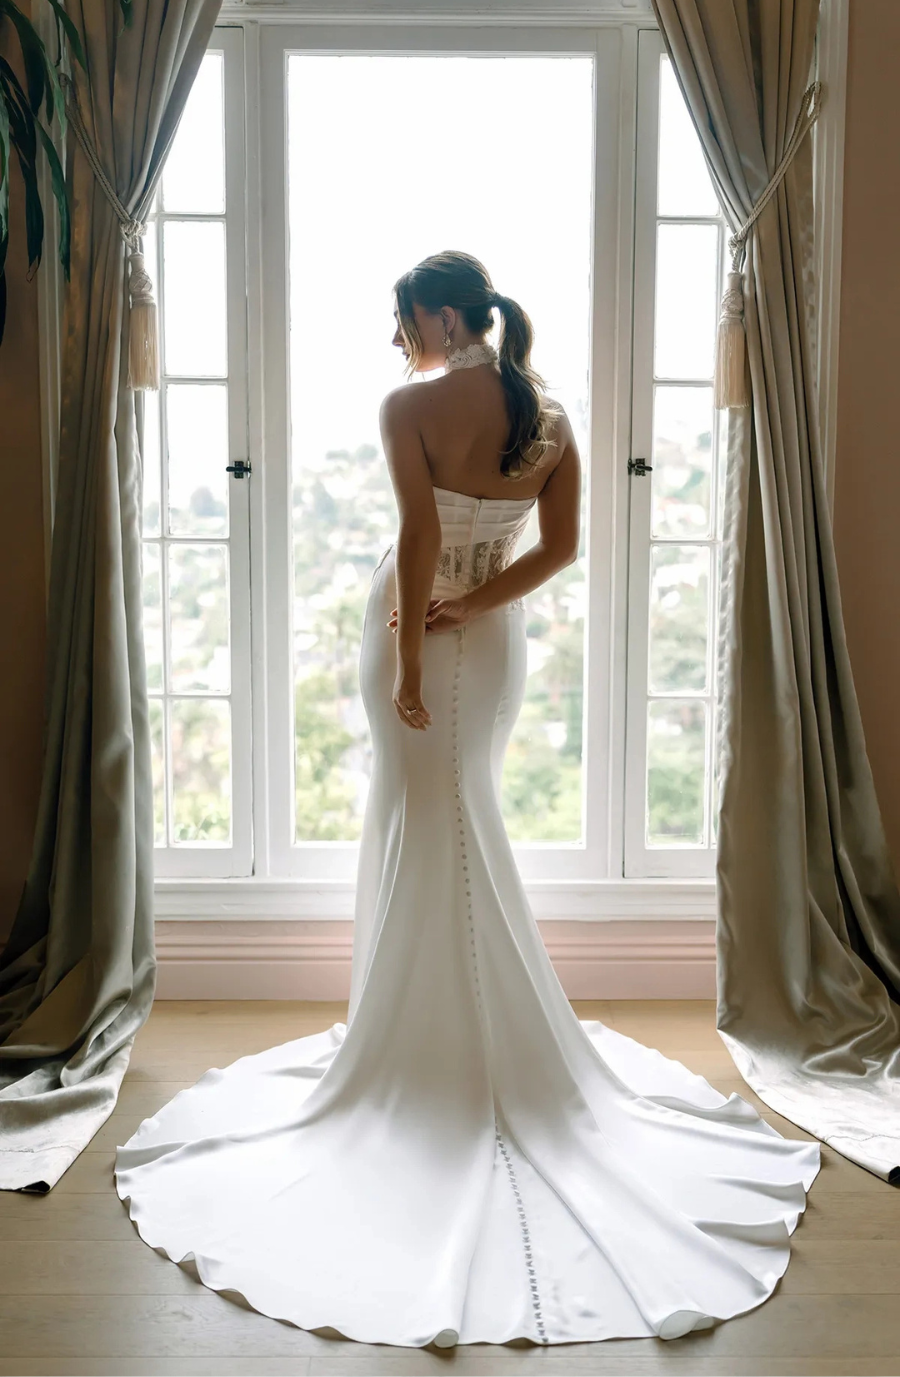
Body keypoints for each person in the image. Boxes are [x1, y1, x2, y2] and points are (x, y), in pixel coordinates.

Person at [114, 250, 820, 1350]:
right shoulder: (546, 416)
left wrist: (406, 651)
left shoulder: (411, 406)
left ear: (440, 315)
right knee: (457, 818)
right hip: (492, 645)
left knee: (426, 821)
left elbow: (415, 541)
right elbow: (565, 549)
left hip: (421, 630)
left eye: (402, 322)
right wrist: (474, 610)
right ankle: (449, 1036)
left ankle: (425, 1050)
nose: (399, 344)